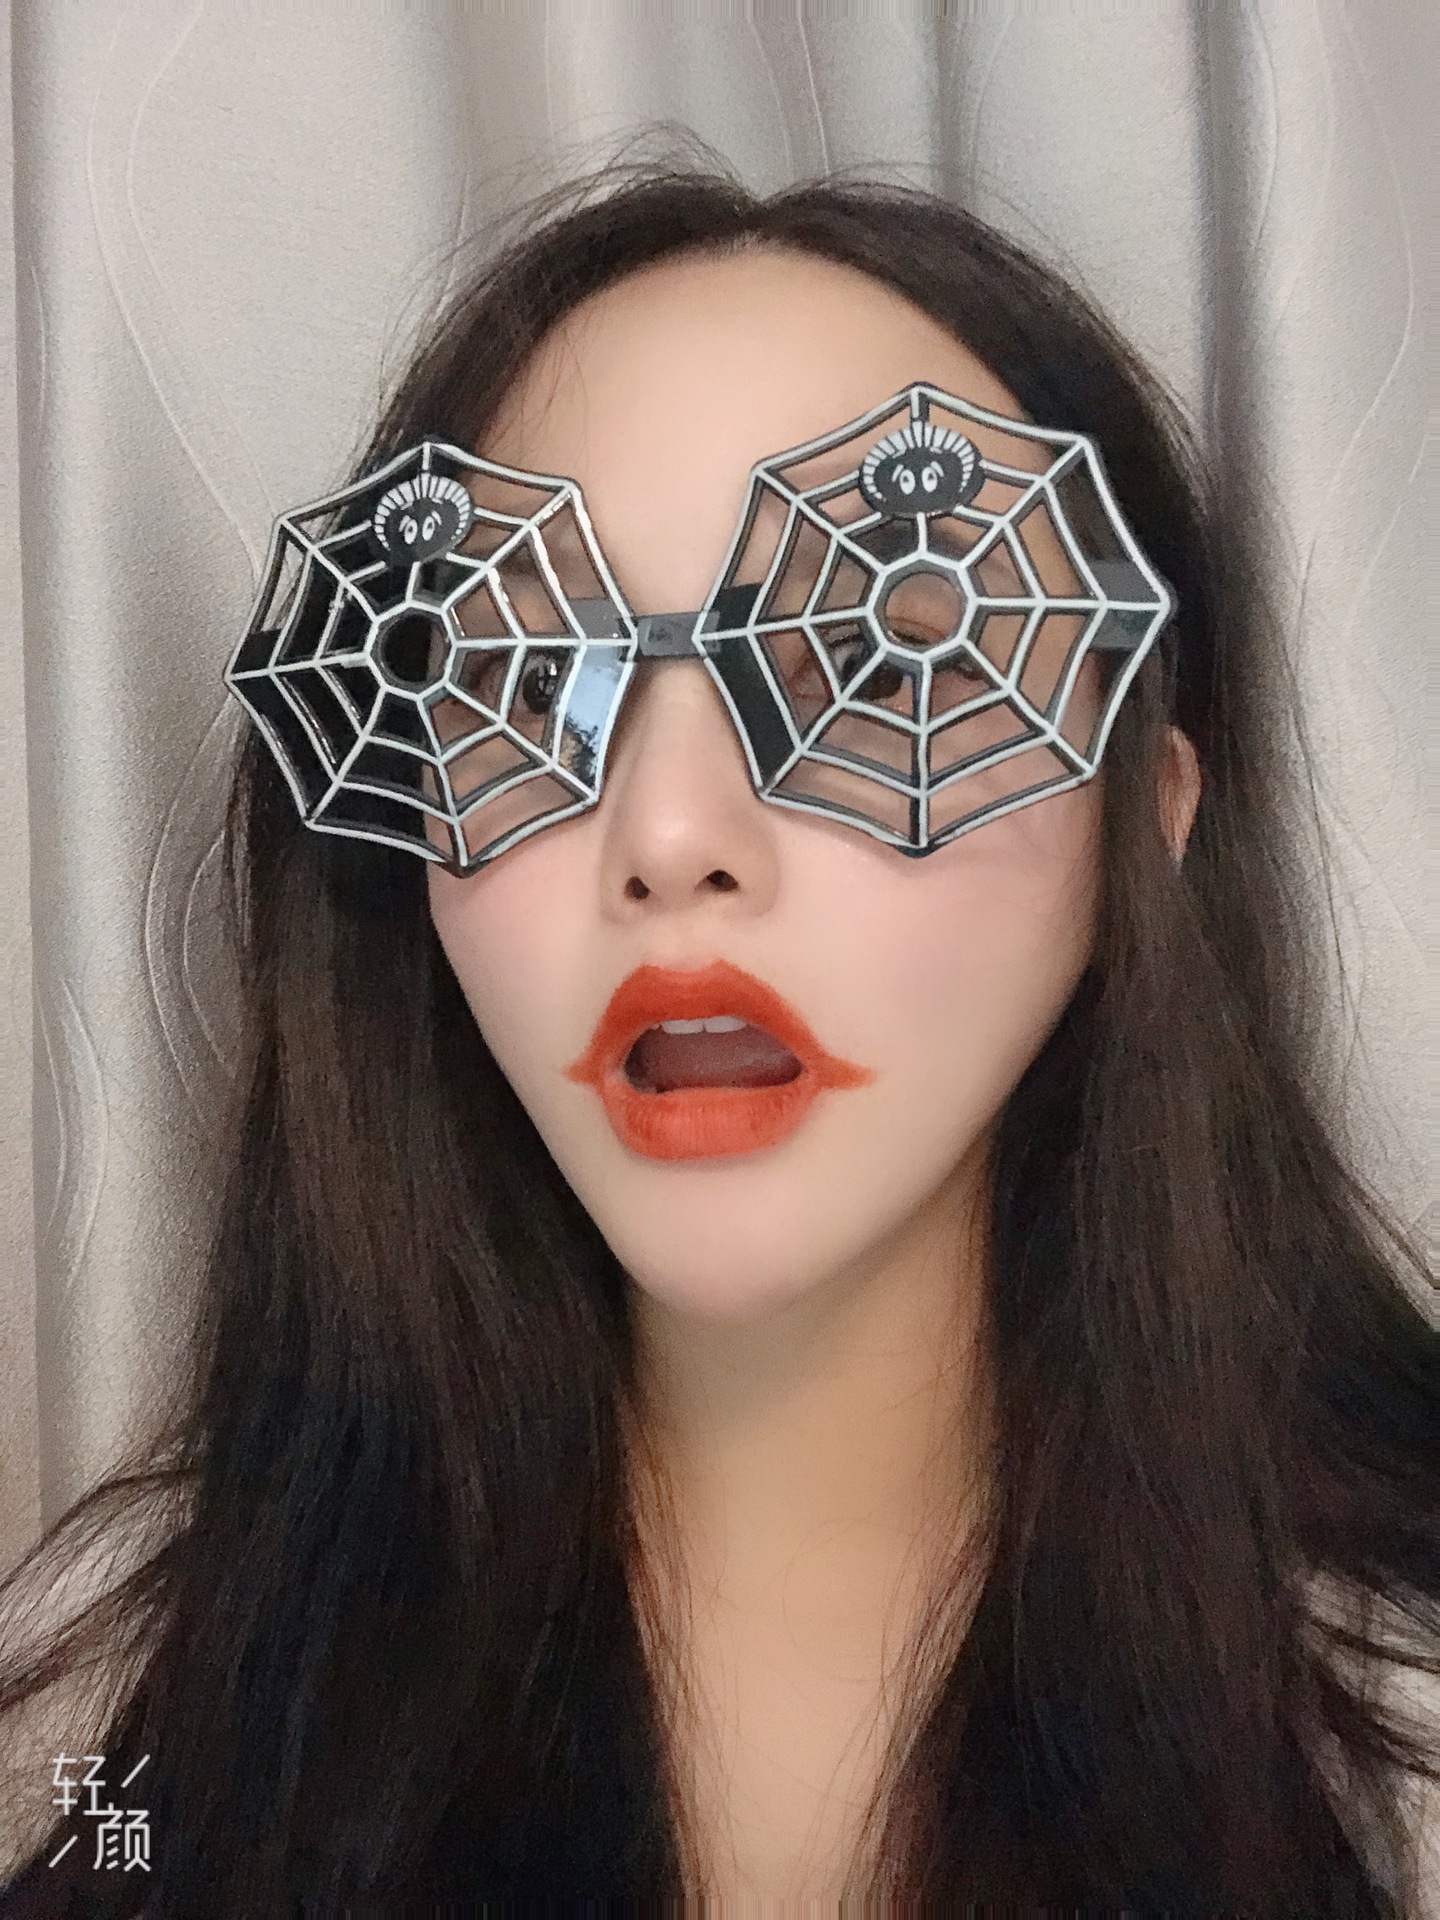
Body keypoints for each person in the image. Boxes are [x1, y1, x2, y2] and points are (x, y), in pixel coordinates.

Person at [1, 164, 1435, 1915]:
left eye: (880, 661)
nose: (671, 836)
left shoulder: (1398, 1741)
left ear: (1151, 812)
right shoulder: (126, 1710)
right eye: (528, 682)